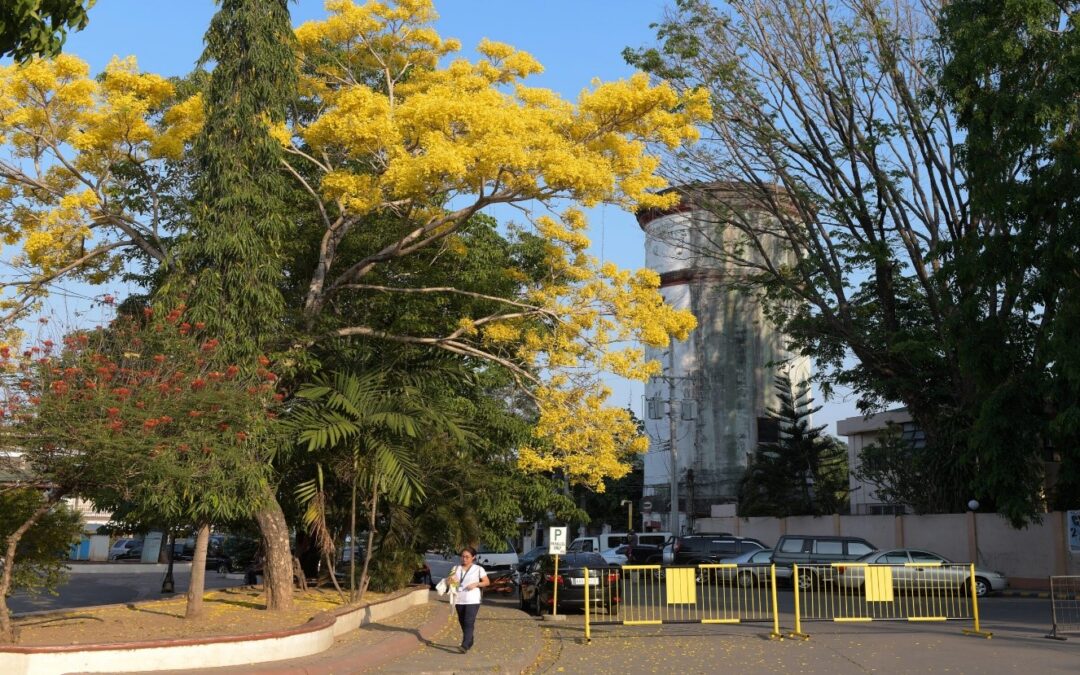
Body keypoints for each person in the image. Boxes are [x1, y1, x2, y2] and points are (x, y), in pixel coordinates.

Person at [444, 546, 490, 654]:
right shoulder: (455, 568)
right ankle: (470, 639)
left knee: (469, 621)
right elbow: (449, 582)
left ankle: (464, 645)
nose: (464, 559)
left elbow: (487, 582)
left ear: (473, 557)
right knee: (462, 621)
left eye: (467, 557)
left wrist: (477, 584)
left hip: (472, 599)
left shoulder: (478, 569)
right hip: (459, 599)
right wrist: (449, 581)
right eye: (462, 556)